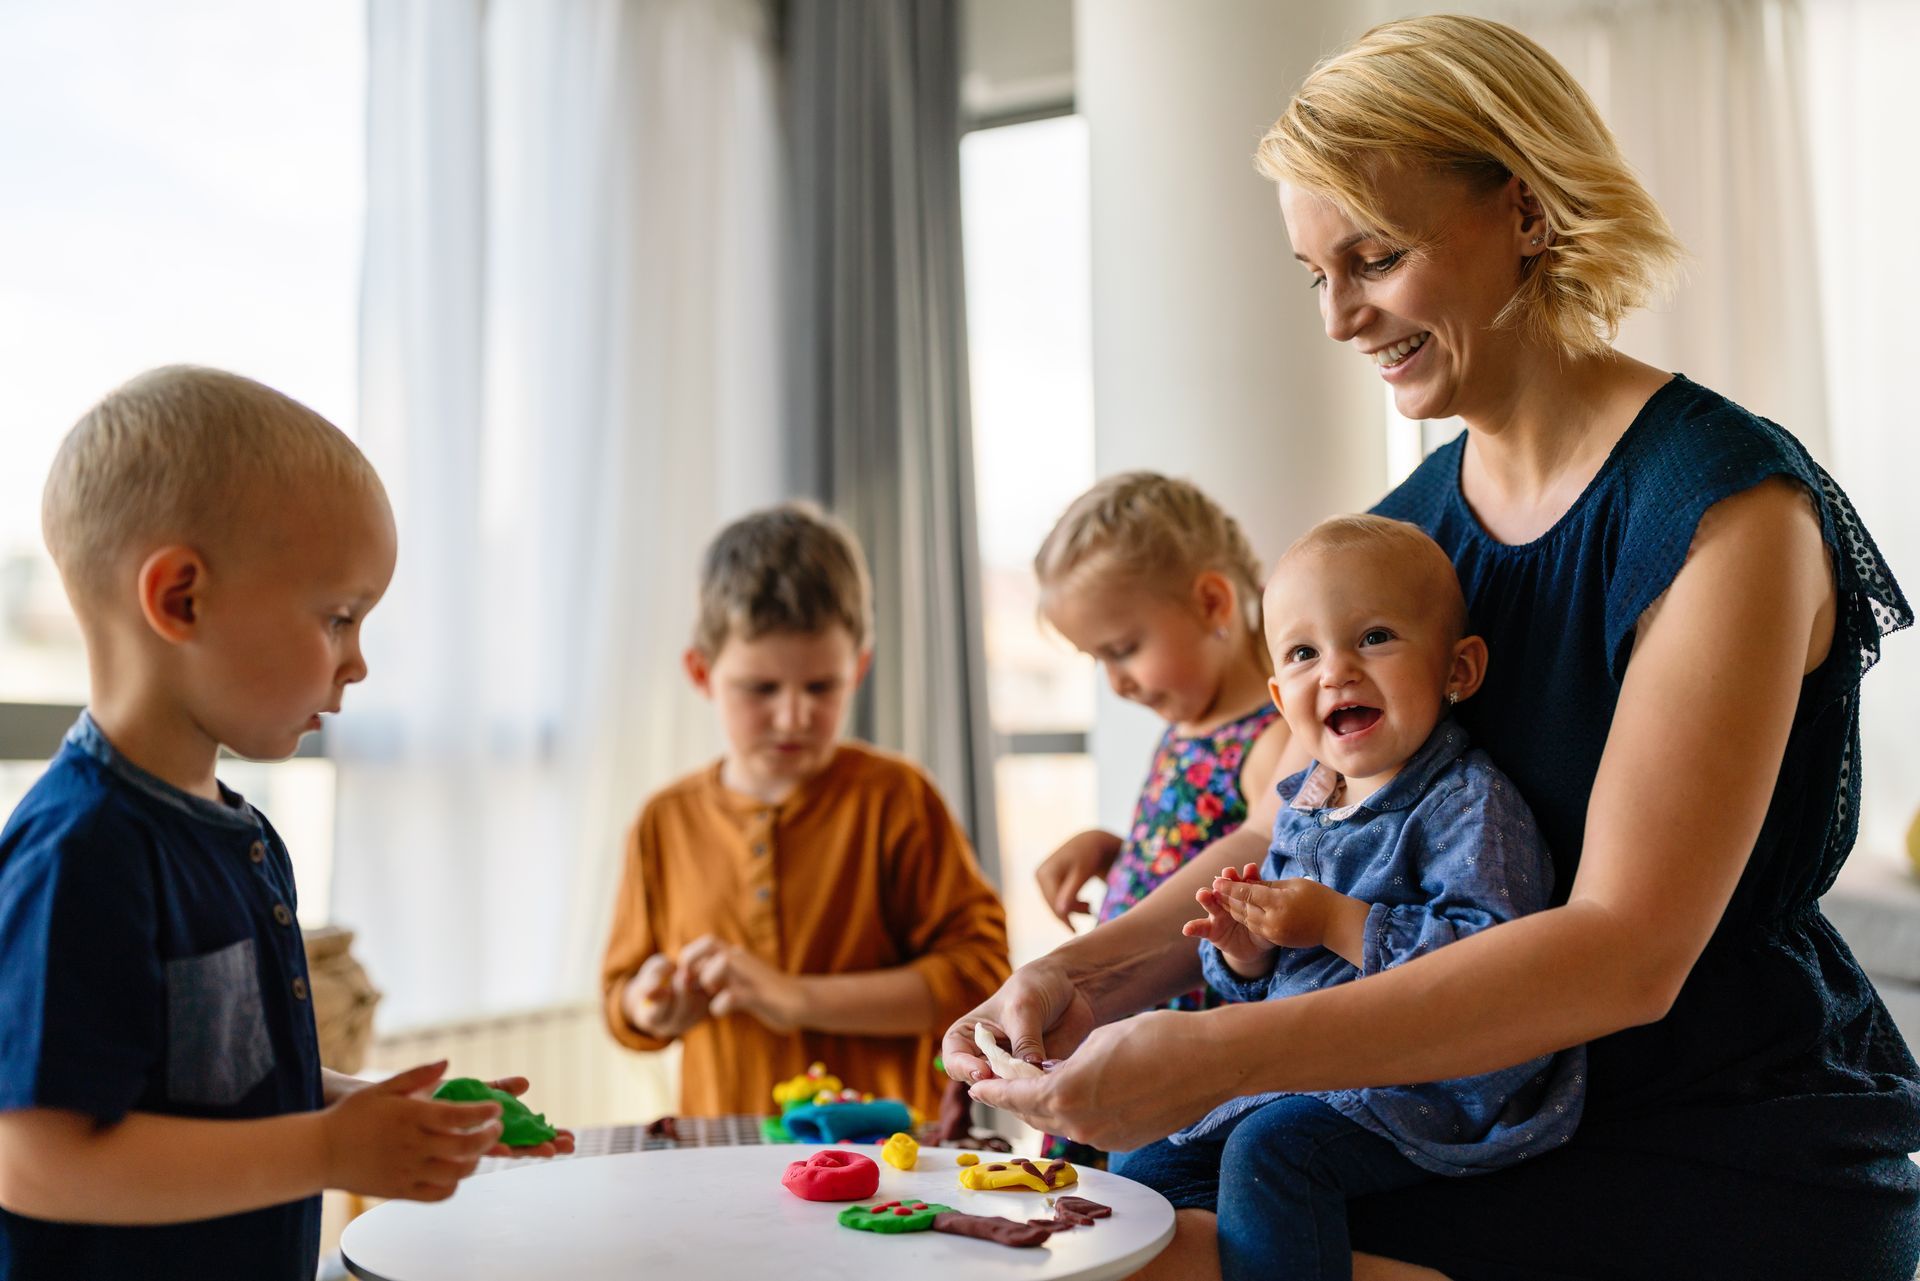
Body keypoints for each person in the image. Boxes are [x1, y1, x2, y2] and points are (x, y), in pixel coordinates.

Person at [945, 14, 1919, 1280]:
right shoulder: (1411, 536)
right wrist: (1082, 975)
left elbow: (1626, 951)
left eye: (1376, 257)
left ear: (1523, 208)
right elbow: (1304, 828)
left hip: (1699, 1139)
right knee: (1101, 1240)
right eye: (1315, 273)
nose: (1341, 317)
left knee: (1149, 1257)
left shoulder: (1726, 515)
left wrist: (1221, 1056)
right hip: (1445, 1113)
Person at [0, 367, 570, 1281]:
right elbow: (36, 1161)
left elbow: (218, 1096)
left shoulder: (242, 836)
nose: (357, 664)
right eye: (339, 617)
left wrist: (369, 1112)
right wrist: (326, 1152)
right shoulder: (84, 851)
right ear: (181, 598)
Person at [1101, 513, 1580, 1281]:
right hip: (1307, 1064)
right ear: (1279, 693)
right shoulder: (1308, 802)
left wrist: (1335, 920)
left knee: (1273, 1154)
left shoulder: (1468, 803)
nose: (1337, 671)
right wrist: (1246, 949)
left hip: (1428, 1079)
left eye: (1375, 637)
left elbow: (1493, 965)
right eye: (1303, 652)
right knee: (1144, 1146)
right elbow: (1272, 978)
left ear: (1459, 669)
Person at [601, 501, 1010, 1119]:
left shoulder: (898, 799)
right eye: (761, 689)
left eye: (821, 687)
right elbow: (622, 1001)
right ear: (701, 672)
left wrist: (794, 998)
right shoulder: (665, 821)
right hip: (719, 1154)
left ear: (859, 668)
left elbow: (979, 976)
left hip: (883, 1162)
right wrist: (647, 1003)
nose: (794, 716)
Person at [1028, 474, 1287, 1164]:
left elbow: (1259, 854)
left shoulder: (1273, 737)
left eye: (1122, 649)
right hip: (1117, 1018)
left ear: (1211, 601)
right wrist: (1114, 848)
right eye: (1097, 660)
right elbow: (1191, 842)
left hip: (1183, 1040)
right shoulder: (1186, 728)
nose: (1116, 682)